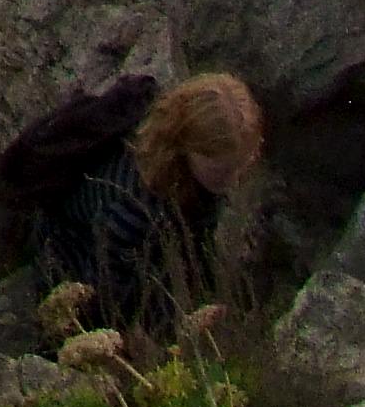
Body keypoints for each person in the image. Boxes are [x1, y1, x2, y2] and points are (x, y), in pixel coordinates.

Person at [33, 70, 262, 343]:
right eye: (222, 171)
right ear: (187, 147)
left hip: (137, 248)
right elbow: (106, 291)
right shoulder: (135, 204)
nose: (233, 181)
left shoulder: (192, 173)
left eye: (241, 167)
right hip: (74, 254)